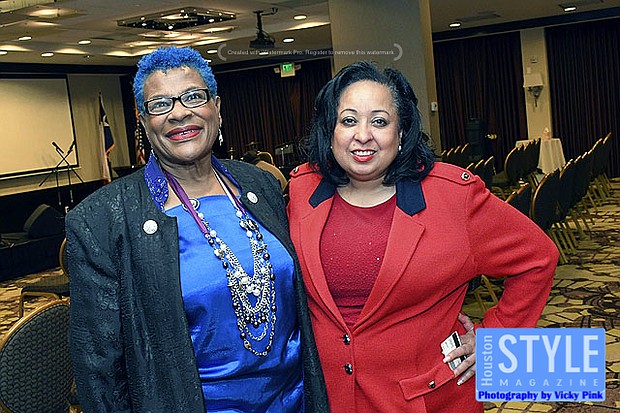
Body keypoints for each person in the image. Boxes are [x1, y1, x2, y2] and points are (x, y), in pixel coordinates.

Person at [67, 46, 329, 413]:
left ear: (216, 108)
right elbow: (99, 369)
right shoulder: (103, 219)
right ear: (144, 121)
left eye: (193, 97)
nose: (178, 113)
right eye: (160, 104)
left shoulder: (260, 185)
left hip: (295, 400)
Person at [286, 61, 558, 412]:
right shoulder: (302, 191)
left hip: (425, 399)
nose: (362, 135)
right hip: (325, 398)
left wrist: (496, 339)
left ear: (401, 133)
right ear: (331, 131)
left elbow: (537, 258)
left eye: (379, 121)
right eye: (348, 121)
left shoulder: (453, 197)